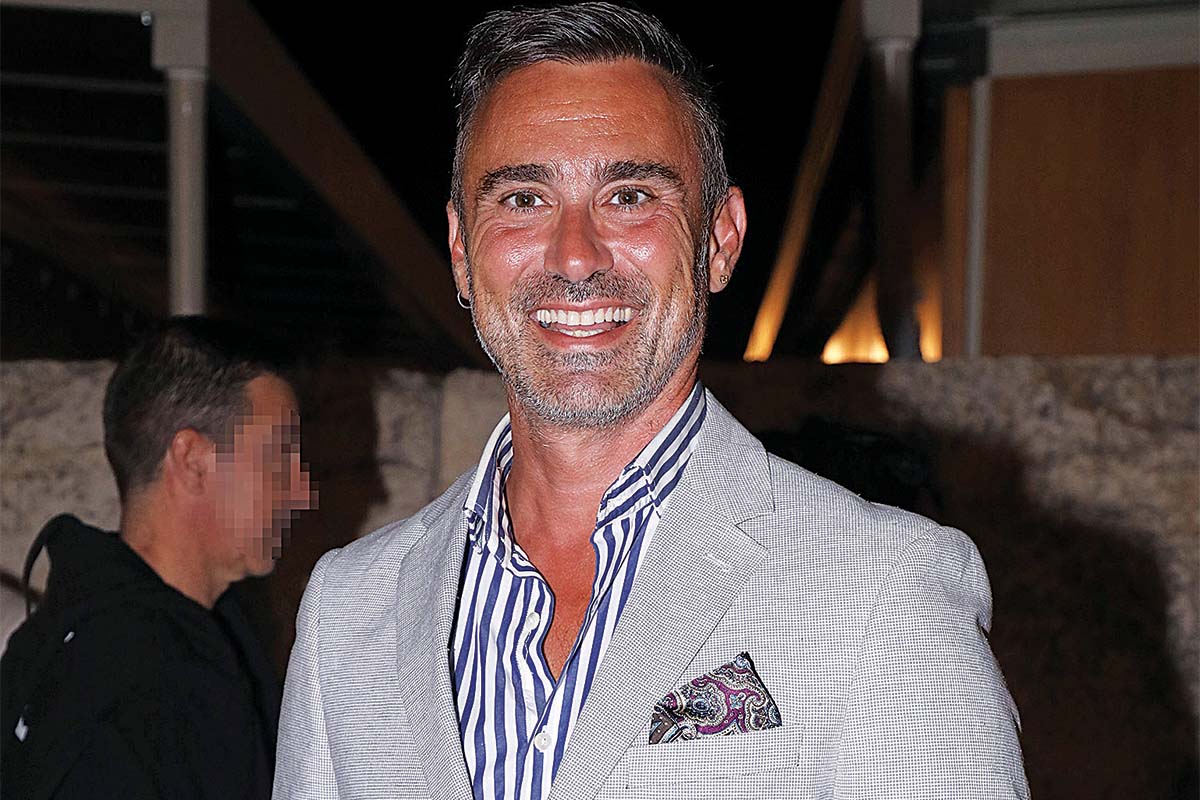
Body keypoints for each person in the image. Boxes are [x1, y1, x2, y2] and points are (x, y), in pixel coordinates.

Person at [274, 4, 1029, 798]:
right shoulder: (346, 610)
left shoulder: (885, 588)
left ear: (719, 240)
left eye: (629, 195)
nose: (574, 256)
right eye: (524, 199)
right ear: (463, 252)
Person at [1, 317, 315, 800]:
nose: (302, 492)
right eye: (279, 457)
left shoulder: (199, 643)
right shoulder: (130, 686)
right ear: (191, 460)